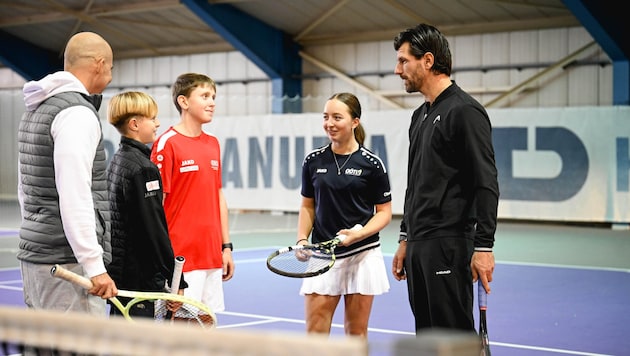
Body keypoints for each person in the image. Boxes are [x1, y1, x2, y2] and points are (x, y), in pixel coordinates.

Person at [391, 23, 500, 333]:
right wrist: (405, 238)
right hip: (420, 245)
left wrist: (484, 246)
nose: (398, 70)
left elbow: (486, 182)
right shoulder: (420, 115)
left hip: (450, 245)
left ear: (427, 60)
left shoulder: (465, 111)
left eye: (403, 61)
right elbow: (415, 184)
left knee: (452, 339)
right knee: (427, 338)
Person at [17, 32, 117, 317]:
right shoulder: (77, 114)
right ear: (99, 64)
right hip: (67, 263)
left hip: (36, 256)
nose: (109, 76)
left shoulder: (37, 110)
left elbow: (25, 188)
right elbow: (75, 195)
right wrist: (95, 267)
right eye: (110, 68)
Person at [296, 92, 392, 338]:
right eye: (326, 116)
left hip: (362, 255)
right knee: (315, 335)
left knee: (356, 334)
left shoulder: (372, 164)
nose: (329, 123)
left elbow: (384, 213)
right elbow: (307, 206)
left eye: (337, 117)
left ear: (354, 122)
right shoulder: (313, 161)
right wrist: (302, 240)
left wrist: (358, 235)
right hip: (322, 254)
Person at [150, 73, 234, 312]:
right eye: (205, 96)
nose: (212, 102)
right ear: (183, 102)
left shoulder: (213, 143)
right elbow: (156, 207)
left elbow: (218, 196)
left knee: (206, 329)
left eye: (214, 97)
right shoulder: (167, 143)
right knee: (180, 336)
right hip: (181, 259)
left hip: (212, 256)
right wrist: (165, 261)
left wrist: (226, 247)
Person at [106, 91, 187, 318]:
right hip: (138, 280)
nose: (157, 123)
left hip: (121, 275)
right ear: (134, 124)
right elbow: (154, 230)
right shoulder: (144, 169)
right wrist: (176, 277)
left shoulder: (118, 159)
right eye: (152, 118)